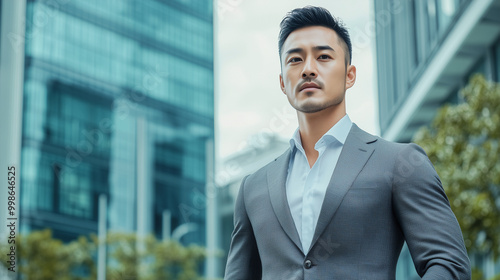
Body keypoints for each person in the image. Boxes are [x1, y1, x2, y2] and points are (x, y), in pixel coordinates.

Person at [224, 6, 471, 280]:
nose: (308, 69)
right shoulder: (252, 188)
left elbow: (449, 264)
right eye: (295, 60)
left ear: (349, 75)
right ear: (283, 82)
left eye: (323, 57)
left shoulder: (399, 163)